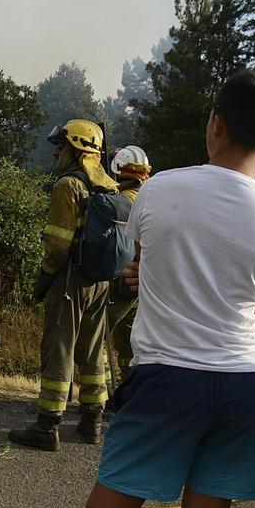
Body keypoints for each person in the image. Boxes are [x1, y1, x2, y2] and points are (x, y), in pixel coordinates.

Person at [84, 69, 255, 508]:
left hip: (167, 377)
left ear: (216, 125)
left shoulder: (160, 188)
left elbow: (135, 264)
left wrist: (147, 275)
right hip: (243, 383)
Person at [8, 119, 122, 450]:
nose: (56, 151)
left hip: (70, 280)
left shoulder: (67, 187)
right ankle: (91, 422)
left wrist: (44, 279)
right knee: (92, 351)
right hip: (101, 281)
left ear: (75, 149)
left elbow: (58, 245)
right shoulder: (108, 185)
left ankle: (47, 427)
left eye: (61, 145)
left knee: (59, 348)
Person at [103, 145, 151, 391]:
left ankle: (99, 394)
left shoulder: (119, 201)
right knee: (129, 342)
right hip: (146, 282)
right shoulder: (153, 197)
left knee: (100, 337)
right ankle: (130, 391)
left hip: (123, 280)